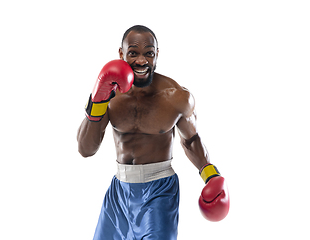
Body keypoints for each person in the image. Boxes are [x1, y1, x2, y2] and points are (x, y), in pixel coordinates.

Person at [77, 25, 229, 240]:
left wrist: (210, 175)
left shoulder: (175, 97)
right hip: (118, 192)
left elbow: (191, 139)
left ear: (157, 54)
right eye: (133, 53)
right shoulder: (109, 93)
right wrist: (97, 101)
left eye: (149, 53)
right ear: (121, 53)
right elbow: (86, 149)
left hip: (159, 192)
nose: (141, 61)